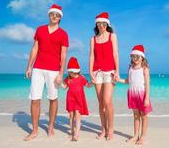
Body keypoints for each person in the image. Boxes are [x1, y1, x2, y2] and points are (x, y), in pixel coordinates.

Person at [24, 4, 69, 141]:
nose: (54, 16)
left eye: (57, 15)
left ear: (60, 17)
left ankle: (50, 126)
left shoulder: (63, 34)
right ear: (49, 15)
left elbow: (63, 55)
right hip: (38, 68)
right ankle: (35, 130)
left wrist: (61, 73)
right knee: (35, 99)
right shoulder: (40, 30)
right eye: (52, 14)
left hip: (54, 70)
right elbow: (34, 49)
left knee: (52, 98)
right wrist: (29, 67)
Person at [89, 12, 120, 140]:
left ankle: (111, 129)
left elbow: (115, 54)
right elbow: (91, 56)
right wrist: (90, 71)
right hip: (97, 72)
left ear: (107, 24)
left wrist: (117, 71)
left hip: (109, 71)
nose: (101, 25)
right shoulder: (93, 39)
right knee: (101, 103)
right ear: (96, 24)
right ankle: (104, 129)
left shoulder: (112, 36)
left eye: (103, 23)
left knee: (107, 101)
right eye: (99, 23)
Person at [117, 45, 152, 145]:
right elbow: (128, 81)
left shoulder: (145, 69)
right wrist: (118, 79)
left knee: (144, 116)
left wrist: (146, 98)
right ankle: (136, 135)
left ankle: (143, 136)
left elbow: (147, 85)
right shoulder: (130, 68)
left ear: (142, 57)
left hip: (142, 94)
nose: (135, 59)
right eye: (133, 56)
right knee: (136, 115)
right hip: (132, 94)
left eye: (137, 56)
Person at [61, 56, 92, 141]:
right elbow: (64, 87)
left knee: (78, 116)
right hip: (70, 99)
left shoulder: (82, 78)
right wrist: (60, 81)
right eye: (69, 72)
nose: (70, 73)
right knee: (71, 116)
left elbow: (88, 86)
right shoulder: (68, 78)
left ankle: (76, 134)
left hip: (79, 99)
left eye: (71, 72)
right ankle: (72, 131)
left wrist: (93, 82)